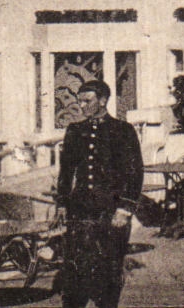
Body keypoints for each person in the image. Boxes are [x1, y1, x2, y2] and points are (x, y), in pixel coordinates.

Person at [56, 80, 144, 308]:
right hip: (81, 212)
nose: (81, 105)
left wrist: (124, 209)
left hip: (111, 212)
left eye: (87, 101)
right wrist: (62, 204)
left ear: (103, 101)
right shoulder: (75, 131)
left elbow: (134, 173)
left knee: (109, 272)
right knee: (75, 273)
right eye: (79, 100)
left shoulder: (123, 131)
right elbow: (66, 171)